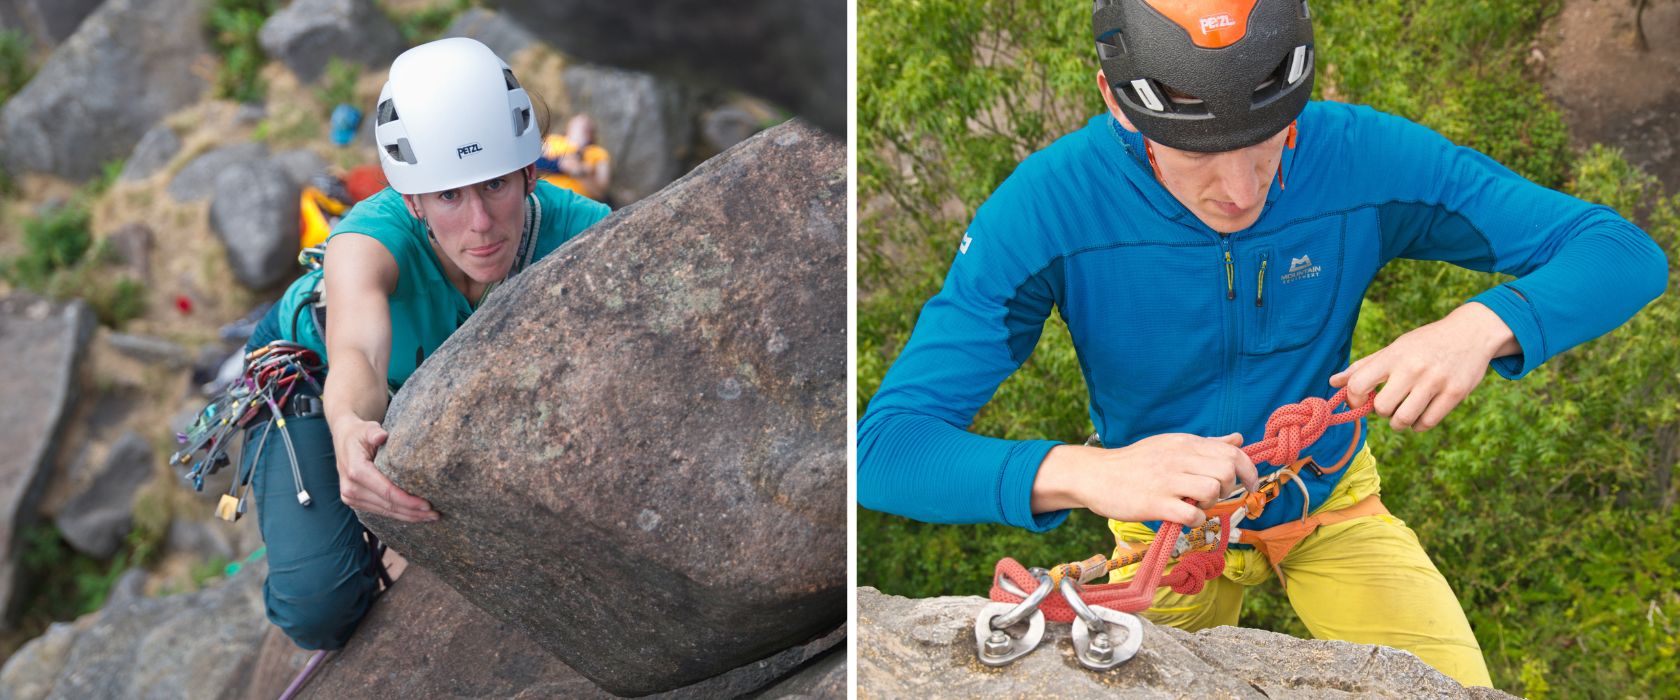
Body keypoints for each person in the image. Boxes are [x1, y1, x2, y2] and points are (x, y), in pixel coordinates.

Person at [856, 0, 1668, 687]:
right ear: (1113, 98)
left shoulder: (1359, 159)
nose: (1239, 193)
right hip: (1164, 525)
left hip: (1326, 497)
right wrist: (1091, 474)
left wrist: (1482, 325)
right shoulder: (1048, 211)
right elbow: (885, 450)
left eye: (1268, 141)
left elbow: (1621, 251)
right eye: (1197, 157)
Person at [238, 37, 610, 652]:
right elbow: (357, 349)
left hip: (440, 373)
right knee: (318, 609)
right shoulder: (368, 241)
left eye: (494, 185)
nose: (481, 223)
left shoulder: (583, 231)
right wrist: (350, 428)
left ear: (528, 171)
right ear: (412, 200)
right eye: (448, 196)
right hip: (309, 374)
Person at [536, 114, 612, 202]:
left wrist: (579, 172)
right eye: (577, 124)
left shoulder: (598, 153)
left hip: (578, 203)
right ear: (568, 127)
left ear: (592, 133)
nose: (581, 127)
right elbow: (533, 164)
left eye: (586, 126)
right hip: (545, 197)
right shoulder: (552, 140)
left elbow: (601, 192)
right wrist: (560, 164)